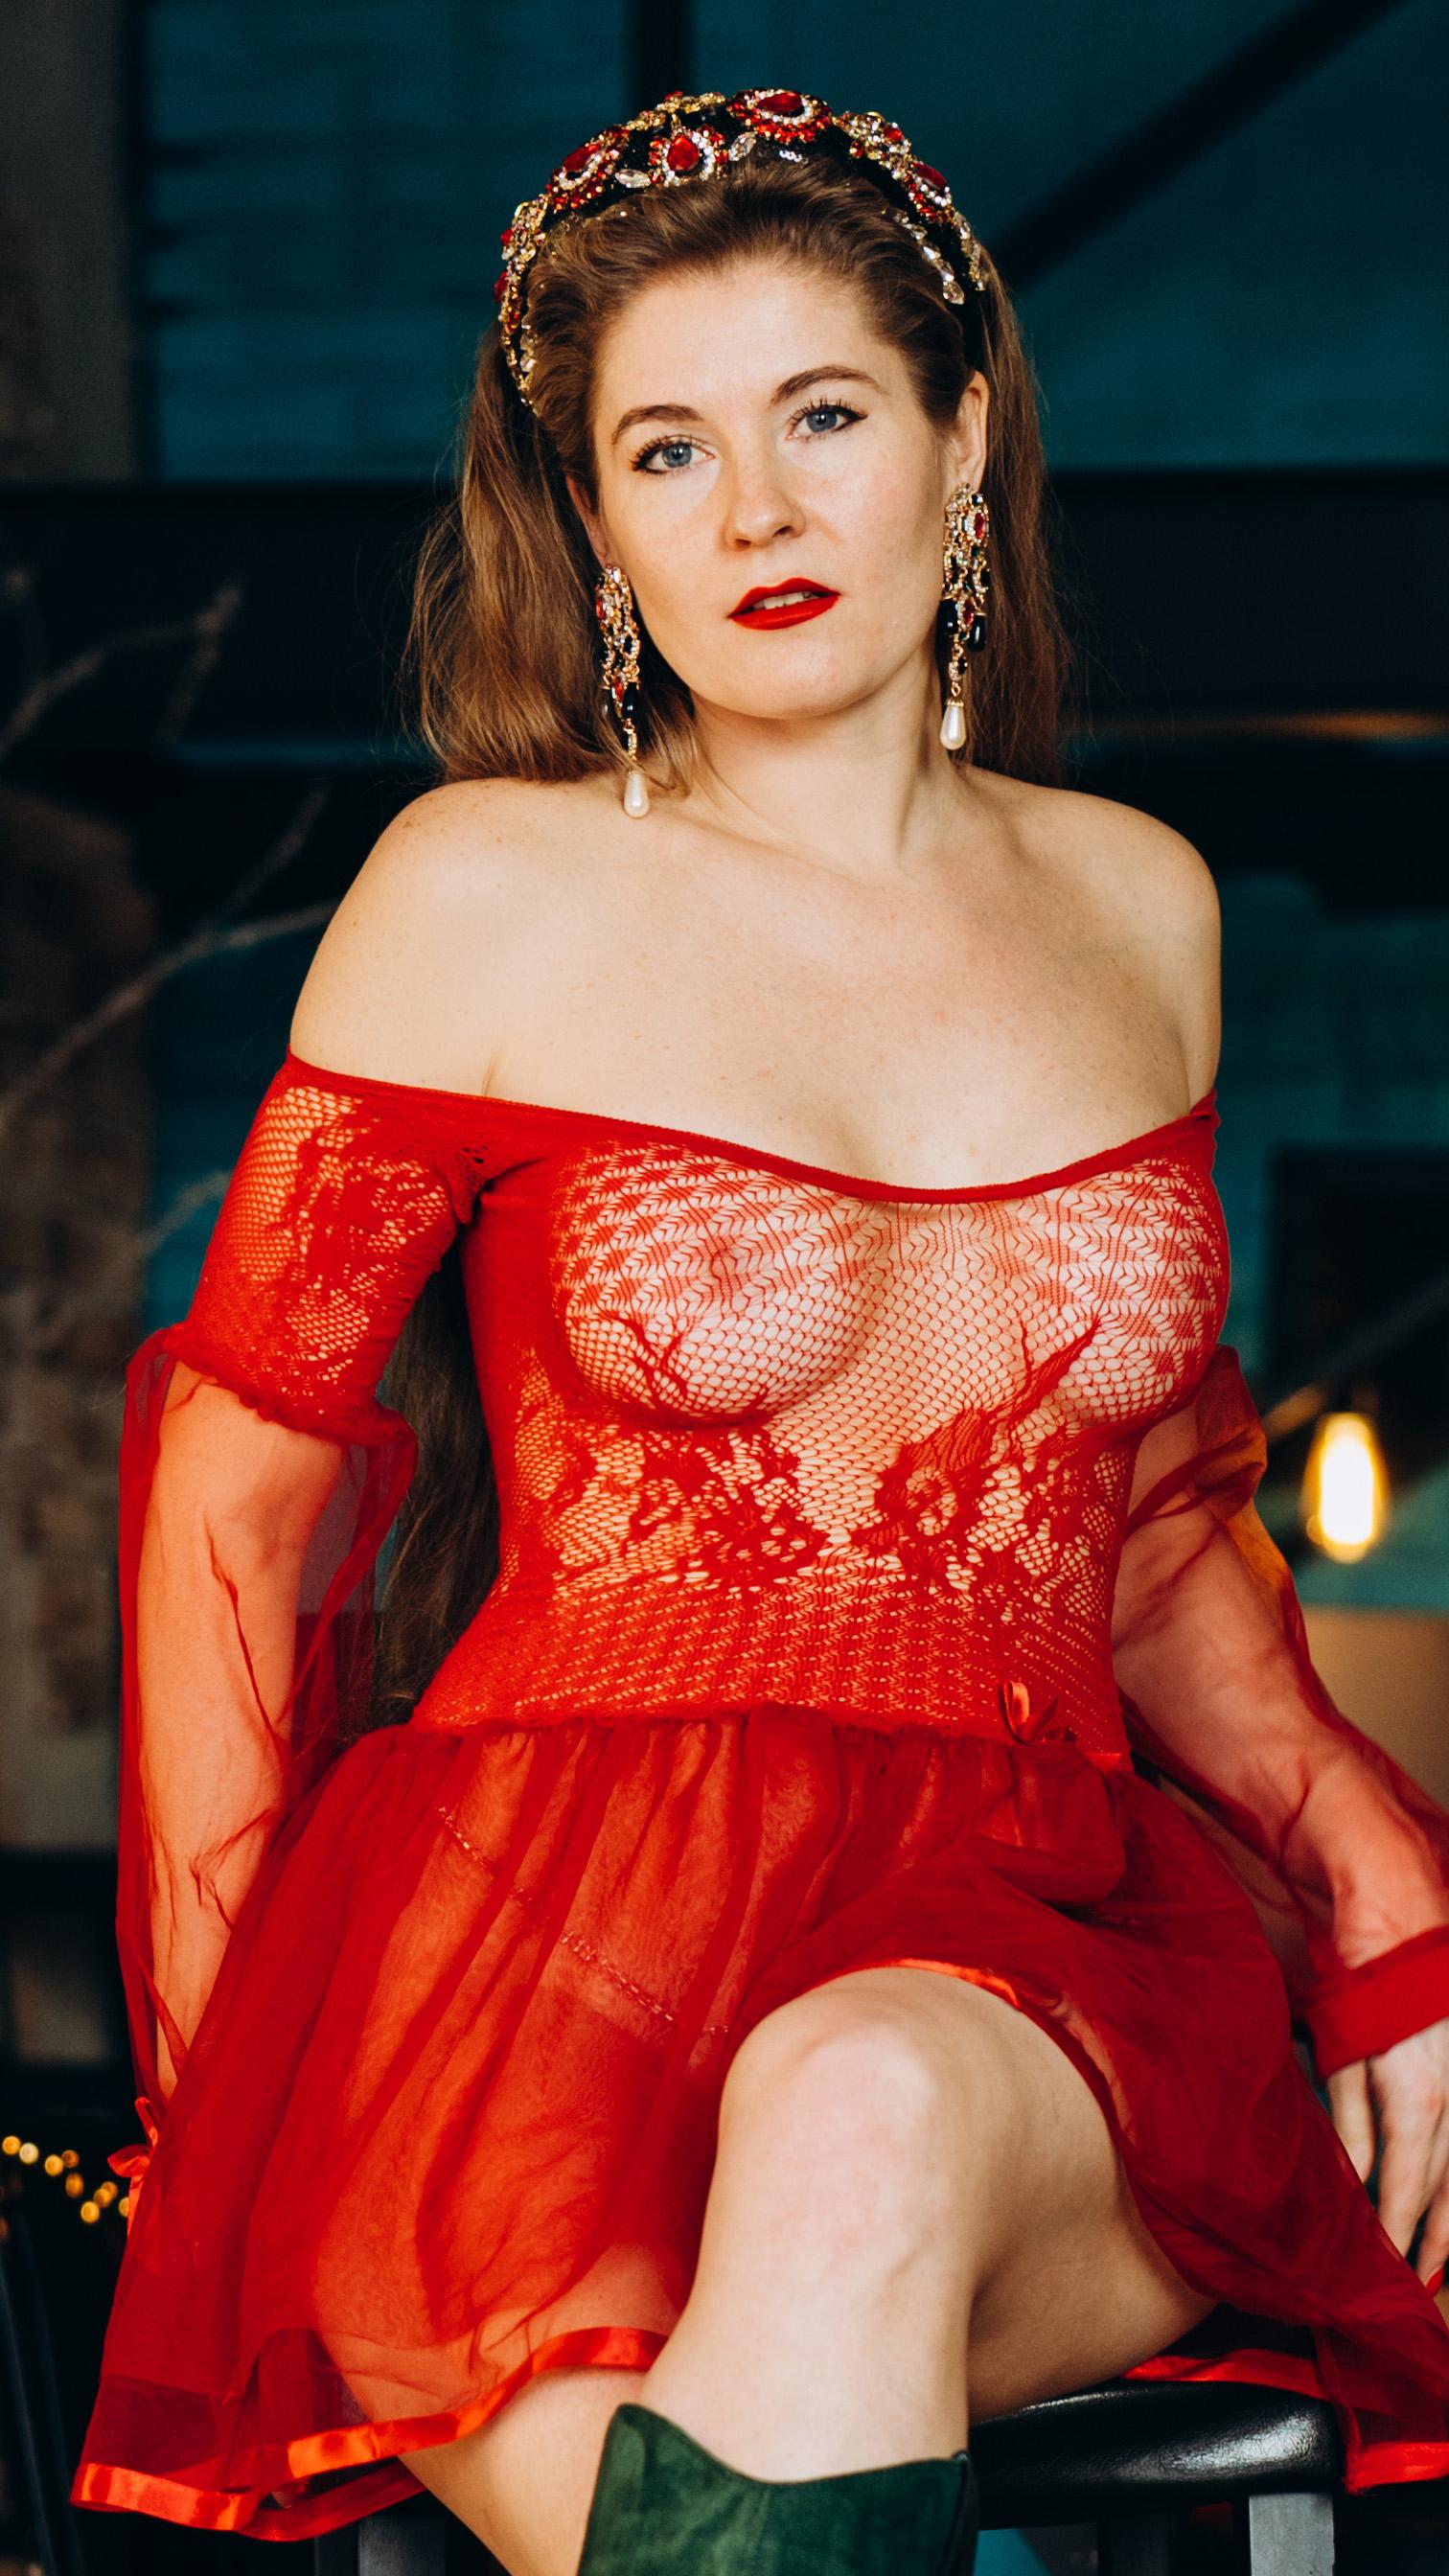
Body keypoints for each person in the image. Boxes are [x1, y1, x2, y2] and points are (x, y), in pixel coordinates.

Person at [71, 83, 1449, 2576]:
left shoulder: (1141, 908)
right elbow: (231, 1504)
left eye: (821, 415)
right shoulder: (483, 897)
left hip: (1036, 1932)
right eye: (665, 451)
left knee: (868, 2107)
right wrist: (224, 2094)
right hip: (541, 1955)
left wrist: (1376, 1886)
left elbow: (1141, 1523)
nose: (754, 516)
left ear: (963, 437)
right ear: (596, 525)